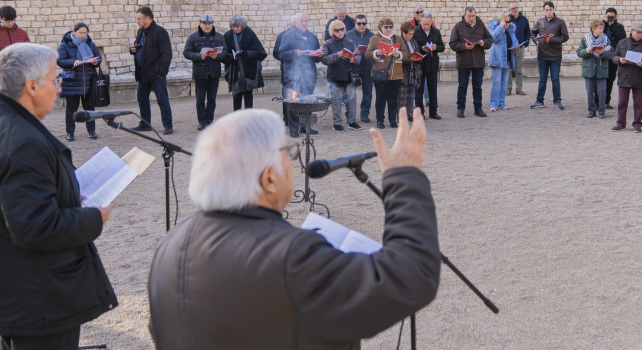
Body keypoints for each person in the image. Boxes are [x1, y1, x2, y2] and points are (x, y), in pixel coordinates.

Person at [147, 107, 440, 350]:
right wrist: (404, 177)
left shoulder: (168, 247)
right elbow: (410, 276)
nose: (292, 162)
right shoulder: (292, 256)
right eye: (288, 153)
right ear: (269, 179)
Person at [0, 43, 117, 350]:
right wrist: (94, 217)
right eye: (55, 80)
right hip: (38, 295)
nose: (59, 89)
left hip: (6, 282)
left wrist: (64, 189)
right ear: (32, 86)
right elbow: (36, 226)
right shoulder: (23, 141)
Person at [275, 12, 321, 137]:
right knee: (294, 102)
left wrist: (319, 55)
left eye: (306, 21)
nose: (304, 23)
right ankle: (294, 129)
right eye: (301, 21)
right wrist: (295, 53)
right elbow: (281, 54)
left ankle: (305, 126)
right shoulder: (287, 36)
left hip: (309, 75)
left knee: (307, 101)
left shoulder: (312, 37)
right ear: (295, 22)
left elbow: (317, 57)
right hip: (292, 75)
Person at [130, 6, 174, 135]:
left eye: (139, 19)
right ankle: (145, 124)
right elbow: (138, 47)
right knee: (142, 99)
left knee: (162, 100)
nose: (137, 21)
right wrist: (132, 50)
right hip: (143, 73)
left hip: (156, 74)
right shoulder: (140, 31)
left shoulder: (160, 32)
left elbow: (166, 54)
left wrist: (161, 72)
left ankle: (168, 125)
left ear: (147, 18)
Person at [56, 22, 103, 142]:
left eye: (85, 33)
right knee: (71, 108)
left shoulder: (90, 44)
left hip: (88, 81)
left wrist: (95, 62)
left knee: (89, 107)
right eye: (80, 32)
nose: (83, 35)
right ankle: (70, 133)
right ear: (74, 32)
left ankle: (91, 131)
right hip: (72, 81)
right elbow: (60, 61)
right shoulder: (65, 44)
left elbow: (99, 58)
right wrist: (72, 62)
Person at [183, 14, 228, 131]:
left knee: (212, 99)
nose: (207, 26)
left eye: (209, 24)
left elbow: (225, 52)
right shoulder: (193, 37)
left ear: (212, 24)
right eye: (204, 24)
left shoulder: (219, 37)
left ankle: (209, 121)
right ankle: (202, 122)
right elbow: (186, 53)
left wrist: (217, 56)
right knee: (200, 99)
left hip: (214, 72)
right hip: (200, 73)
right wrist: (199, 56)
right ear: (200, 24)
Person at [450, 7, 491, 118]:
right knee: (462, 86)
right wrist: (463, 46)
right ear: (465, 16)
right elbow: (452, 43)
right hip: (464, 61)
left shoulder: (481, 26)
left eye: (473, 16)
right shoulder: (458, 27)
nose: (471, 18)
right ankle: (460, 109)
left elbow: (489, 40)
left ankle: (478, 109)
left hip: (478, 61)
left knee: (477, 86)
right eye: (469, 16)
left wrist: (483, 43)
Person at [365, 18, 405, 129]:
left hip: (394, 74)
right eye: (386, 27)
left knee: (393, 98)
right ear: (381, 27)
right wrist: (376, 53)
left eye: (390, 27)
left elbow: (406, 53)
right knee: (380, 98)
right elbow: (367, 55)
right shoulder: (374, 39)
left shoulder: (398, 38)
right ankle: (380, 120)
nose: (388, 29)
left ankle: (392, 120)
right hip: (380, 73)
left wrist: (398, 54)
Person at [612, 21, 642, 132]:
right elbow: (614, 56)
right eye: (638, 32)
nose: (640, 35)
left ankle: (637, 124)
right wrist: (619, 60)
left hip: (639, 77)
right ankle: (621, 123)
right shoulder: (622, 42)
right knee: (622, 102)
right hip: (624, 76)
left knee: (638, 103)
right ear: (632, 31)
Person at [322, 20, 360, 132]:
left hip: (349, 76)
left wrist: (354, 59)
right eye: (337, 30)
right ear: (332, 31)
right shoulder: (327, 43)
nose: (340, 32)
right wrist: (336, 55)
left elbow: (358, 56)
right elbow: (324, 59)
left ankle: (352, 122)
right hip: (335, 77)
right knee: (336, 101)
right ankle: (337, 124)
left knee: (352, 100)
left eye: (341, 29)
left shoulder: (350, 42)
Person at [531, 1, 569, 110]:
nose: (548, 12)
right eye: (546, 10)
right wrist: (536, 41)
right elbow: (532, 32)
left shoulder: (560, 22)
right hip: (542, 55)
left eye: (550, 9)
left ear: (553, 10)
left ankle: (557, 101)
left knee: (555, 79)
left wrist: (551, 40)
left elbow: (565, 37)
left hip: (555, 56)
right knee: (542, 80)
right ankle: (539, 101)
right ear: (544, 11)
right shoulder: (540, 21)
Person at [223, 16, 267, 111]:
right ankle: (237, 116)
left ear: (242, 26)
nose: (235, 29)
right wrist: (231, 56)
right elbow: (224, 52)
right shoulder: (227, 35)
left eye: (237, 26)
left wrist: (245, 53)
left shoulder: (249, 34)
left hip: (248, 69)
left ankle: (248, 116)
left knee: (248, 94)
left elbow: (259, 52)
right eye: (233, 27)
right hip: (235, 70)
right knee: (237, 94)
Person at [576, 20, 612, 119]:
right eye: (600, 28)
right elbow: (579, 52)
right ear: (593, 28)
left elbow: (610, 53)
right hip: (589, 70)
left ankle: (601, 111)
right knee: (589, 92)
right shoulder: (585, 39)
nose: (602, 29)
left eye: (603, 28)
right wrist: (586, 51)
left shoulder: (606, 39)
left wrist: (602, 53)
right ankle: (591, 110)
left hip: (601, 70)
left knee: (602, 92)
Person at [412, 12, 444, 120]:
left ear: (431, 22)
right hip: (419, 64)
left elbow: (442, 47)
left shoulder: (436, 32)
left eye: (428, 24)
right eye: (424, 24)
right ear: (420, 21)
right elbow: (412, 46)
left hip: (432, 64)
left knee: (432, 89)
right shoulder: (415, 31)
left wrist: (436, 48)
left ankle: (433, 112)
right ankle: (419, 113)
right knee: (419, 90)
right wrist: (421, 48)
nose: (426, 26)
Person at [346, 15, 376, 122]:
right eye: (359, 23)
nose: (361, 25)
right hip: (353, 68)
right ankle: (350, 114)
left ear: (366, 24)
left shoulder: (372, 36)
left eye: (364, 23)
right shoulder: (348, 35)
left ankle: (364, 113)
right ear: (355, 24)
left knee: (367, 92)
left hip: (368, 67)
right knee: (351, 93)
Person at [487, 14, 513, 112]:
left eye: (509, 22)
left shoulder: (510, 30)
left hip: (507, 59)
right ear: (501, 21)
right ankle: (493, 104)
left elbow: (512, 41)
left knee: (504, 82)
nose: (508, 24)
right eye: (506, 22)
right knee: (496, 81)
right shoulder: (493, 27)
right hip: (497, 59)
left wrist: (516, 46)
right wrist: (500, 27)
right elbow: (493, 39)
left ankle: (502, 102)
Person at [602, 8, 626, 109]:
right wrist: (604, 22)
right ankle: (598, 100)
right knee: (600, 79)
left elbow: (622, 38)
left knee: (610, 79)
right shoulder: (601, 25)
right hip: (602, 56)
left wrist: (613, 26)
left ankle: (607, 101)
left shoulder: (619, 26)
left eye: (612, 17)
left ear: (616, 17)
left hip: (613, 56)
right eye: (608, 16)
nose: (610, 18)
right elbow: (596, 34)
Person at [507, 3, 531, 97]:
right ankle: (508, 88)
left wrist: (525, 44)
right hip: (509, 48)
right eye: (512, 8)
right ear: (509, 10)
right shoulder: (507, 19)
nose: (515, 9)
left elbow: (527, 33)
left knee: (519, 69)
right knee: (508, 69)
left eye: (516, 7)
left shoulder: (524, 19)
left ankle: (519, 88)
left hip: (520, 47)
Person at [399, 21, 422, 115]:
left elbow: (417, 52)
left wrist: (419, 58)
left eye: (412, 34)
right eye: (409, 34)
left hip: (413, 73)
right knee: (402, 97)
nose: (411, 36)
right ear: (403, 33)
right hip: (403, 73)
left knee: (410, 96)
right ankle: (401, 115)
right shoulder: (399, 42)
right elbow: (398, 58)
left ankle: (409, 113)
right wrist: (410, 59)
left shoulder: (413, 42)